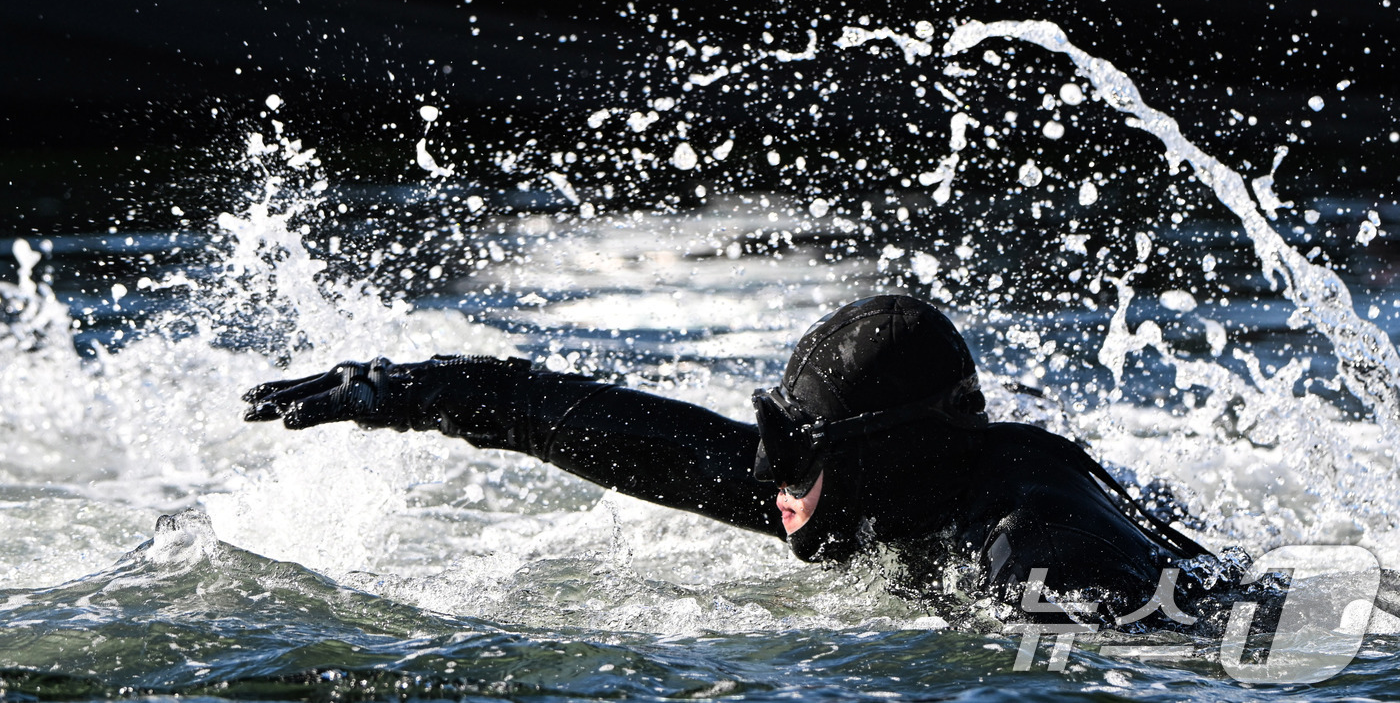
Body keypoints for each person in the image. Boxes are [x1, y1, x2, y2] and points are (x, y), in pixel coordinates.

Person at [243, 295, 1217, 624]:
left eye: (797, 454)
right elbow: (608, 428)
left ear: (885, 455)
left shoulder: (1035, 547)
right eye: (774, 446)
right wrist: (398, 388)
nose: (768, 479)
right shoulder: (845, 484)